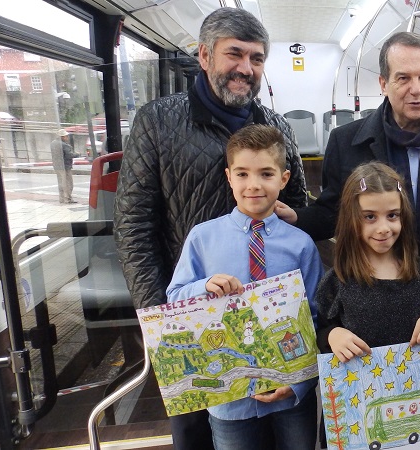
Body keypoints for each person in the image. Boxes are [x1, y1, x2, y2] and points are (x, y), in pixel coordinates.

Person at [113, 8, 308, 450]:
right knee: (201, 436)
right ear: (204, 55)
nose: (246, 68)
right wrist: (159, 320)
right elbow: (133, 226)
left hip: (271, 327)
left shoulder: (277, 128)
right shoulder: (158, 121)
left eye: (257, 59)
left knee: (281, 429)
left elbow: (296, 209)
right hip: (191, 320)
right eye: (234, 55)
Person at [166, 125, 323, 450]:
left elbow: (315, 315)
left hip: (290, 391)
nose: (253, 185)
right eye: (242, 174)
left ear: (283, 178)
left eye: (266, 174)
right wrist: (203, 287)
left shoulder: (301, 245)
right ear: (229, 177)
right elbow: (174, 300)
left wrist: (300, 385)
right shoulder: (202, 238)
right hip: (228, 397)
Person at [277, 31, 420, 273]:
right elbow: (334, 214)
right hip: (380, 287)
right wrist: (296, 218)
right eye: (404, 78)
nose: (416, 89)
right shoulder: (346, 142)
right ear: (384, 84)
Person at [314, 161, 420, 363]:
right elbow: (321, 328)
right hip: (363, 391)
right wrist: (332, 336)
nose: (383, 227)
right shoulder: (337, 280)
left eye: (392, 215)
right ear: (351, 219)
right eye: (369, 217)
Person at [51, 129, 79, 204]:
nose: (67, 137)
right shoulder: (65, 145)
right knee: (68, 183)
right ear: (62, 137)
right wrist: (77, 154)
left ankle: (62, 198)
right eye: (66, 136)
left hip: (57, 166)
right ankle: (68, 199)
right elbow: (69, 155)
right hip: (65, 167)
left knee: (60, 183)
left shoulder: (53, 143)